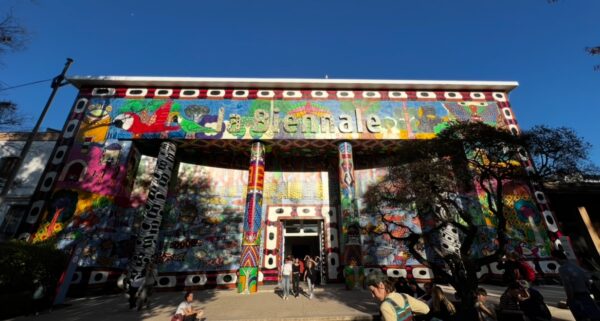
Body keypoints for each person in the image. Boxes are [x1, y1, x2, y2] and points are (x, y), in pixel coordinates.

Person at [555, 250, 600, 321]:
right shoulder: (574, 264)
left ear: (556, 258)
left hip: (576, 297)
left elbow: (568, 286)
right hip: (586, 295)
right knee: (595, 316)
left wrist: (570, 299)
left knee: (582, 317)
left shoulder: (563, 269)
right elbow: (586, 280)